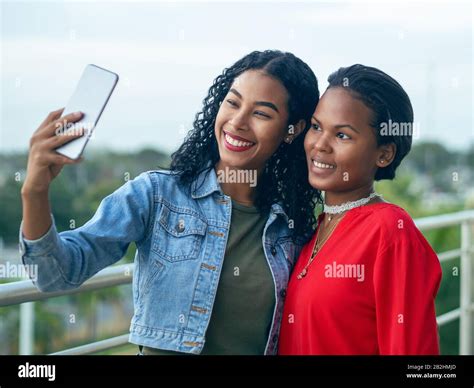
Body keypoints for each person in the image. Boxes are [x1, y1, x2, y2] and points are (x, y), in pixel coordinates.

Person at [19, 50, 320, 355]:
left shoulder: (292, 227)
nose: (238, 121)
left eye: (261, 113)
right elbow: (54, 275)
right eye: (233, 102)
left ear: (292, 131)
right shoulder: (156, 194)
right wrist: (34, 191)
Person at [278, 64, 442, 355]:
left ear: (383, 154)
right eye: (317, 127)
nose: (320, 145)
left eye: (342, 135)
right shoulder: (316, 228)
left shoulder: (390, 232)